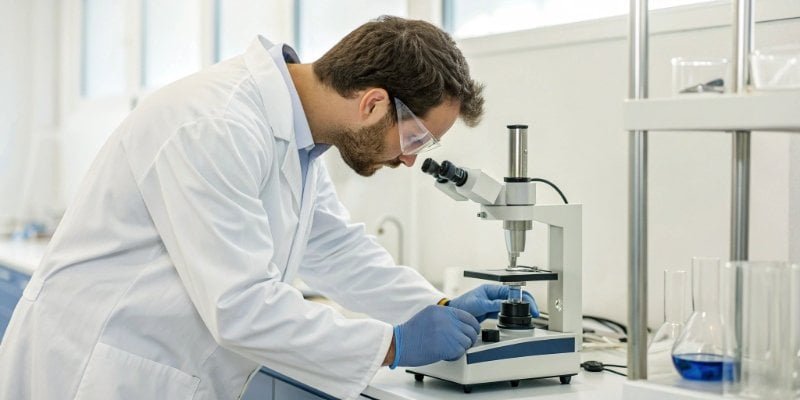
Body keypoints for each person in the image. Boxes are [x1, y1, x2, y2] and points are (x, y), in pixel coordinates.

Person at [0, 16, 536, 399]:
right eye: (415, 137)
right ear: (373, 103)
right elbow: (241, 307)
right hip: (94, 372)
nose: (411, 159)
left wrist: (437, 307)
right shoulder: (216, 125)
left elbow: (335, 250)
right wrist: (392, 344)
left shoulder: (297, 139)